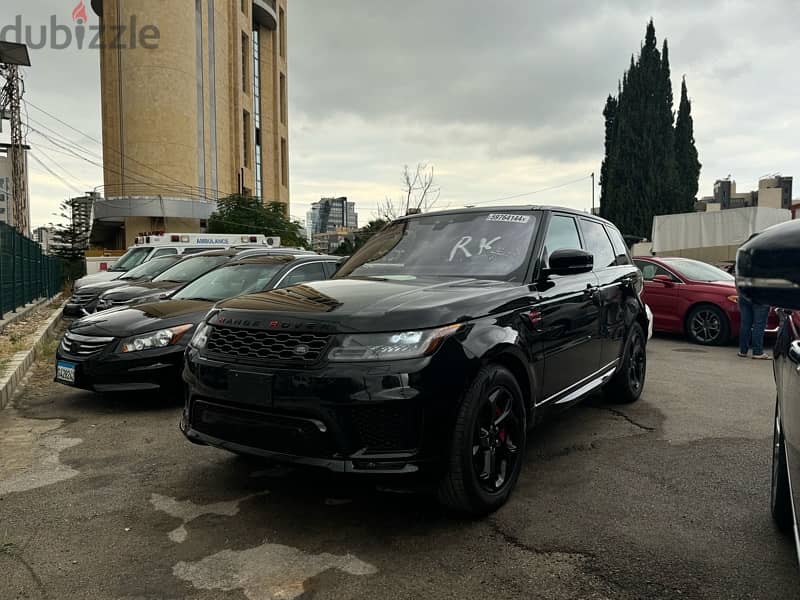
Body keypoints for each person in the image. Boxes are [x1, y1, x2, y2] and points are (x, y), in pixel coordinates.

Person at [737, 293, 771, 359]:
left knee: (745, 324)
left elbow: (737, 283)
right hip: (761, 297)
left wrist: (740, 294)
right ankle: (757, 352)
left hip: (744, 296)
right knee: (759, 325)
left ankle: (743, 351)